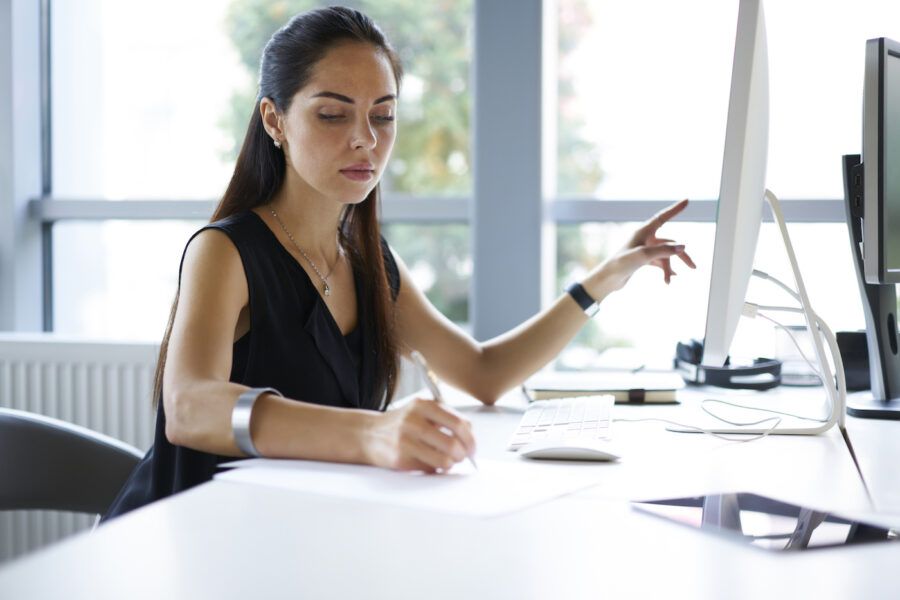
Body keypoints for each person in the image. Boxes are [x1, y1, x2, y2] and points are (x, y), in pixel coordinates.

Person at [102, 6, 694, 521]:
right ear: (274, 120)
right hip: (192, 540)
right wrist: (374, 434)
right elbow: (188, 408)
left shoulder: (368, 262)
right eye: (333, 115)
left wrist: (605, 280)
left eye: (382, 115)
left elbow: (483, 373)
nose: (365, 139)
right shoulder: (225, 250)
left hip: (299, 536)